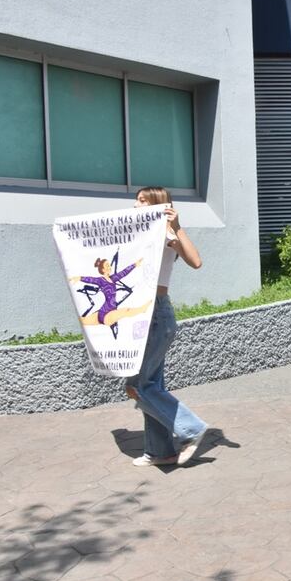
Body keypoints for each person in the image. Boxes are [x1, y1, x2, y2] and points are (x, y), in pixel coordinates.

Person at [124, 186, 209, 468]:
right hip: (140, 314)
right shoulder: (137, 234)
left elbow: (196, 261)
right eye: (136, 200)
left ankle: (191, 429)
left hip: (156, 314)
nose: (136, 205)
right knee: (152, 384)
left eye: (142, 201)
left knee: (139, 386)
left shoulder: (163, 232)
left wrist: (176, 226)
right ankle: (161, 452)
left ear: (157, 204)